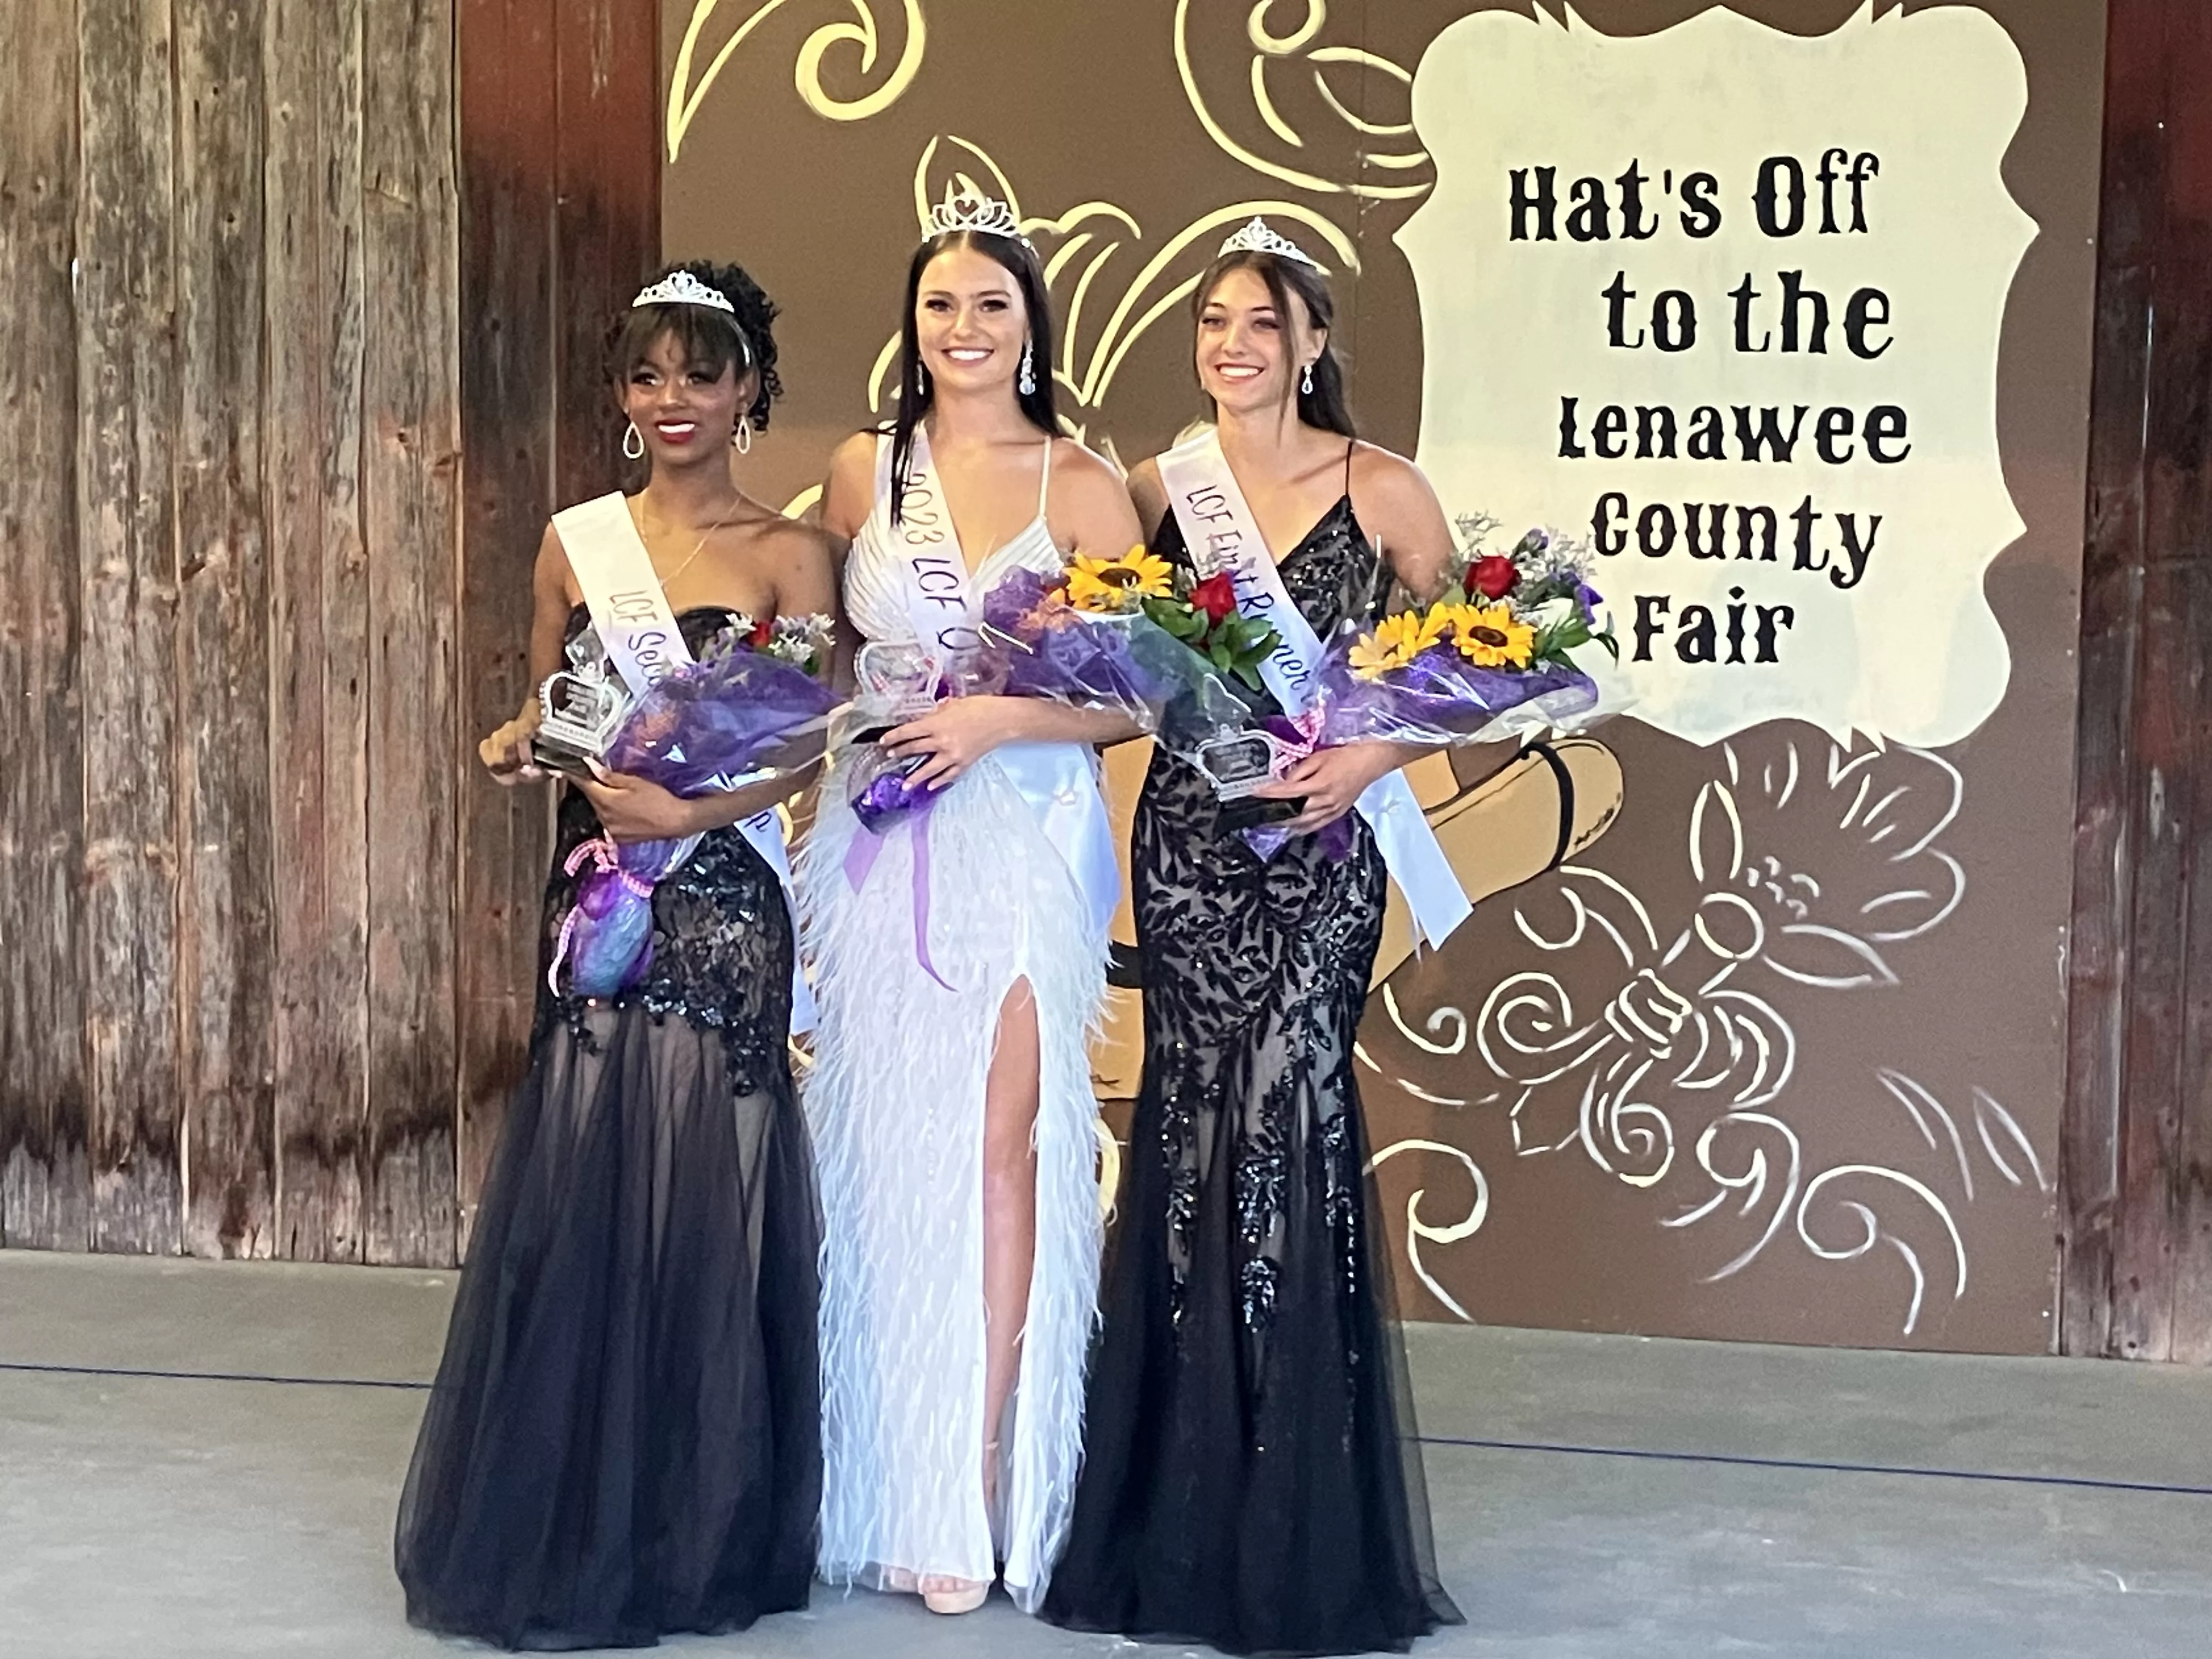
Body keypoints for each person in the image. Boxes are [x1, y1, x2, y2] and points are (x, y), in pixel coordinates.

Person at [1041, 220, 1466, 1656]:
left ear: (1312, 342)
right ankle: (1179, 1509)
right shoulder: (1162, 488)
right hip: (1190, 851)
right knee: (1193, 1133)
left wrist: (1366, 760)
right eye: (1215, 320)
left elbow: (1479, 664)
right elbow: (1116, 675)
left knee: (1291, 1121)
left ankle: (1292, 1510)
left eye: (1263, 324)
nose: (1234, 344)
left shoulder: (1384, 490)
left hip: (1322, 852)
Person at [395, 261, 831, 1650]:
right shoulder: (575, 542)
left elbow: (812, 742)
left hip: (719, 893)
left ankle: (693, 1520)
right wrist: (523, 748)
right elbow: (552, 704)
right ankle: (571, 1503)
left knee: (708, 1184)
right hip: (598, 897)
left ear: (751, 385)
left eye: (702, 372)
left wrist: (691, 808)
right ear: (622, 396)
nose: (674, 400)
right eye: (648, 375)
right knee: (587, 1173)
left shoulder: (789, 553)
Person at [799, 190, 1143, 1617]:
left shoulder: (1083, 482)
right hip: (882, 847)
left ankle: (994, 1486)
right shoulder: (856, 473)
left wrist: (996, 720)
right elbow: (820, 665)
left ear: (1030, 325)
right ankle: (895, 1486)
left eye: (991, 305)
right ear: (914, 320)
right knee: (888, 1161)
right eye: (942, 303)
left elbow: (1131, 697)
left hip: (1020, 849)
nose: (964, 328)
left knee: (1003, 1155)